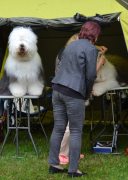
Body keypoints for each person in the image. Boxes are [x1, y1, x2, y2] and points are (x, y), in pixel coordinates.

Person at [48, 21, 106, 178]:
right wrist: (86, 94)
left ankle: (53, 164)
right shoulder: (90, 49)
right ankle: (73, 170)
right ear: (95, 35)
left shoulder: (70, 46)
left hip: (57, 89)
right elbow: (90, 76)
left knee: (58, 127)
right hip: (73, 93)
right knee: (75, 131)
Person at [57, 34, 108, 165]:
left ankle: (71, 152)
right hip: (70, 91)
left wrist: (97, 47)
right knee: (69, 125)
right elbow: (88, 74)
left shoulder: (65, 51)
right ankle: (61, 154)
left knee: (73, 125)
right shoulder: (73, 55)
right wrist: (101, 63)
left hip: (65, 89)